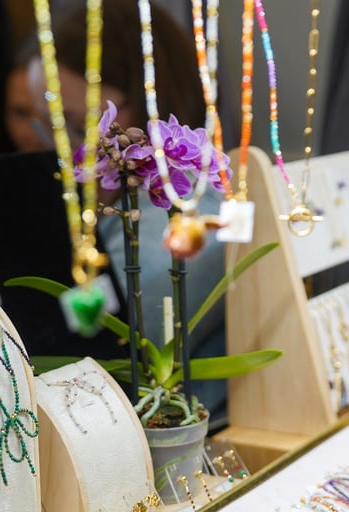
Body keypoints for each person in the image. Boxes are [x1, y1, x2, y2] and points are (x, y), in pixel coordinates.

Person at [24, 0, 229, 427]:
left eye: (79, 126)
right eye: (48, 126)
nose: (64, 152)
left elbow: (102, 347)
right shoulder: (128, 207)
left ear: (151, 102)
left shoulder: (177, 224)